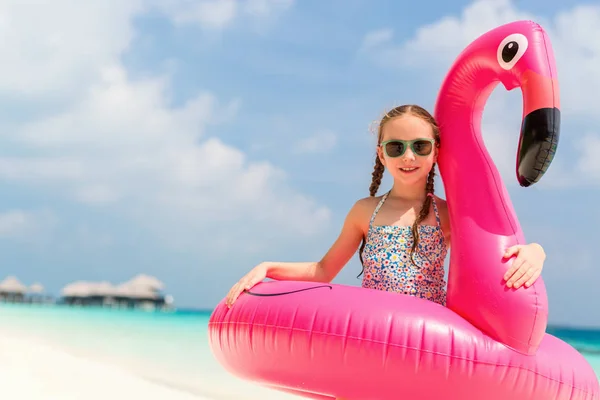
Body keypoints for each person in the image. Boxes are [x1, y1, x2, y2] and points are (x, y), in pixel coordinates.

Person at [225, 104, 546, 308]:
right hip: (374, 335)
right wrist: (268, 267)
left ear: (435, 152)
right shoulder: (365, 211)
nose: (409, 156)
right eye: (396, 147)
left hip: (425, 339)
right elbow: (322, 271)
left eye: (420, 146)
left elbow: (494, 255)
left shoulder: (449, 214)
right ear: (382, 155)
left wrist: (534, 250)